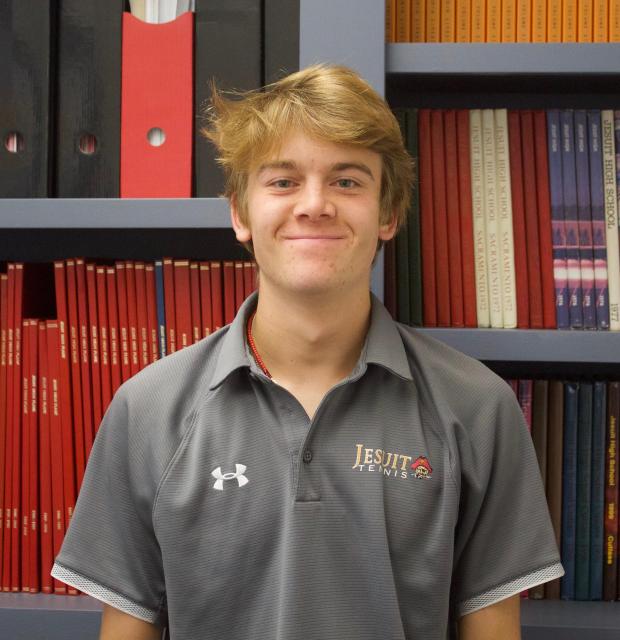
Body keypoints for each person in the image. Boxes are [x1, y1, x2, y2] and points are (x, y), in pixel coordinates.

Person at [52, 64, 563, 640]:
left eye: (348, 181)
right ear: (241, 214)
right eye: (283, 181)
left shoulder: (478, 408)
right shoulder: (147, 409)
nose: (314, 205)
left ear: (389, 214)